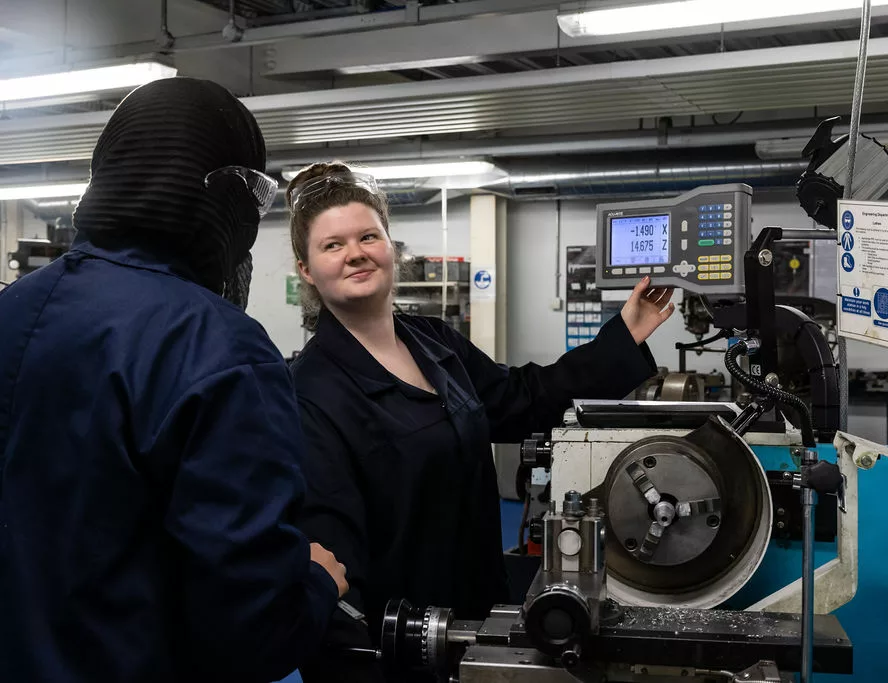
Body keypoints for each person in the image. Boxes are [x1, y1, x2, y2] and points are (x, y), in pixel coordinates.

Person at [0, 78, 348, 683]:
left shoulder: (12, 309)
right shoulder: (218, 348)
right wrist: (317, 581)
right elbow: (251, 627)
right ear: (221, 199)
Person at [285, 162, 675, 680]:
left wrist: (623, 337)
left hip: (479, 614)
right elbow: (333, 562)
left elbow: (521, 398)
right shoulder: (310, 389)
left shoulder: (432, 340)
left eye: (367, 236)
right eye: (332, 245)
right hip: (400, 643)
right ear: (307, 270)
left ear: (388, 246)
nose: (355, 252)